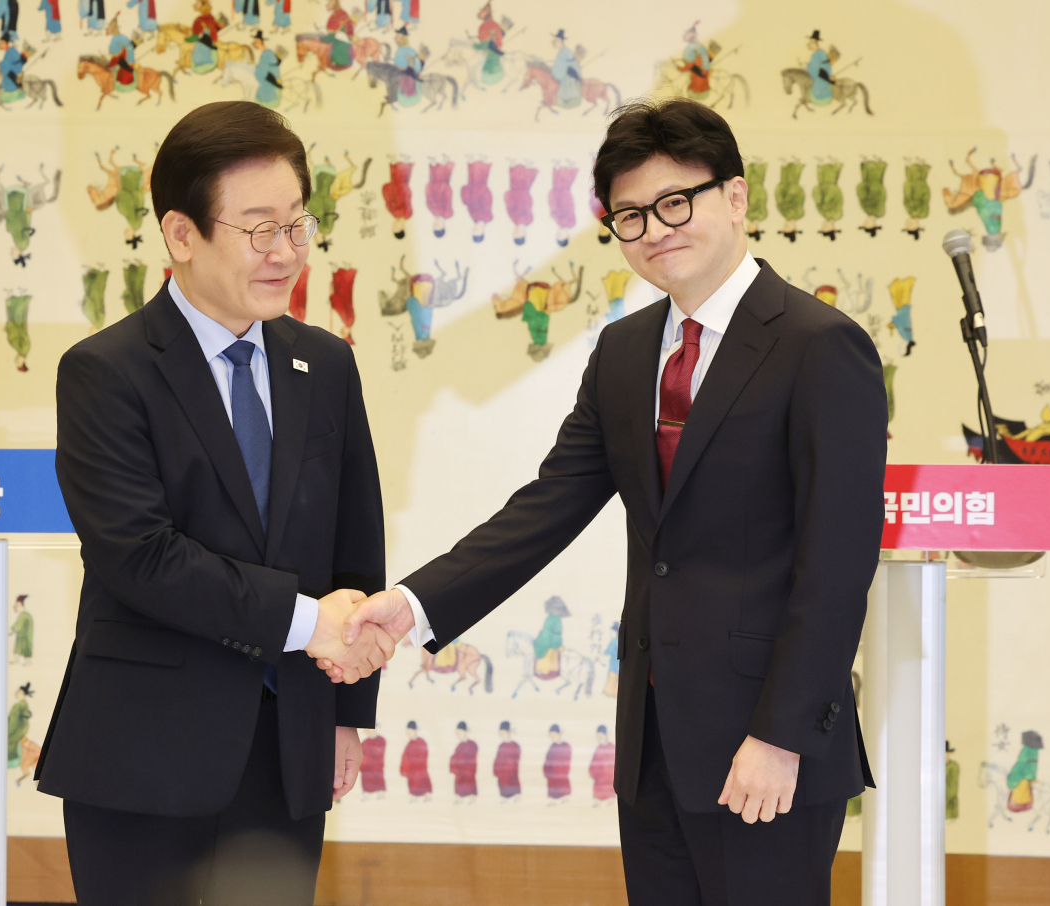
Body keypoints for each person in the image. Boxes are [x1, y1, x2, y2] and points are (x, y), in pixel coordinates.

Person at [334, 97, 887, 906]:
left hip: (766, 747)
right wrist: (412, 607)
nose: (655, 229)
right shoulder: (626, 352)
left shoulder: (819, 345)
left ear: (734, 197)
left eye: (675, 202)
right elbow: (547, 507)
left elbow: (835, 566)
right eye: (629, 216)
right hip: (653, 743)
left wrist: (780, 734)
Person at [35, 101, 395, 906]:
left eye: (298, 225)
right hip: (145, 750)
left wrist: (345, 709)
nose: (285, 253)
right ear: (182, 234)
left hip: (289, 743)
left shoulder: (326, 365)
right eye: (258, 229)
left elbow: (353, 546)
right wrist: (310, 624)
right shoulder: (106, 372)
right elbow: (140, 556)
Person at [450, 721, 478, 802]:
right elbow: (455, 759)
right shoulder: (459, 746)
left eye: (460, 733)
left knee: (470, 789)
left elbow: (471, 761)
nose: (458, 735)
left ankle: (471, 798)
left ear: (465, 732)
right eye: (457, 733)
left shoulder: (472, 745)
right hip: (460, 775)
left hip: (468, 774)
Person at [493, 721, 520, 801]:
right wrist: (496, 770)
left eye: (503, 734)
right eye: (501, 734)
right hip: (502, 776)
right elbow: (497, 759)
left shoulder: (515, 746)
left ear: (509, 732)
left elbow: (515, 761)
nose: (502, 736)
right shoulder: (501, 746)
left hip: (511, 775)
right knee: (503, 792)